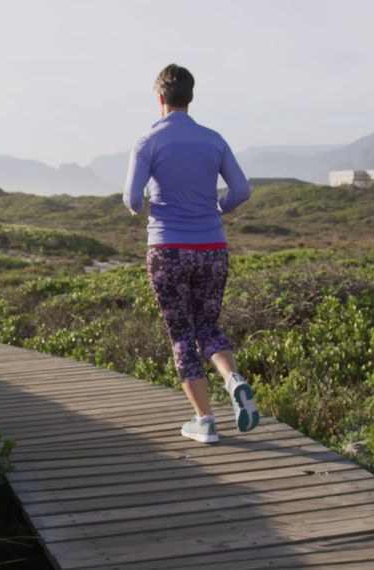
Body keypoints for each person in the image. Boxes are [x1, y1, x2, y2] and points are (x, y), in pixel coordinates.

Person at [123, 63, 259, 444]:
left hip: (168, 249)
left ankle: (205, 421)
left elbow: (133, 198)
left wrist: (140, 209)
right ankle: (233, 380)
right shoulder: (214, 140)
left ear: (160, 98)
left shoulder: (148, 141)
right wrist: (218, 209)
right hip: (213, 248)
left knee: (181, 334)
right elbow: (242, 190)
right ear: (190, 97)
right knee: (208, 328)